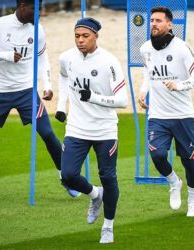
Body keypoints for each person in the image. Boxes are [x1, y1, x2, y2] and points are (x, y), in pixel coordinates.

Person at [0, 0, 79, 202]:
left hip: (26, 92)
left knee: (48, 134)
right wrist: (6, 56)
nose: (40, 12)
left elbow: (42, 58)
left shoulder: (38, 29)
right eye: (36, 8)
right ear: (23, 6)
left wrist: (47, 85)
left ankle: (66, 179)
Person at [55, 17, 128, 243]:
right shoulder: (66, 58)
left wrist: (94, 98)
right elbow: (63, 77)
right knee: (67, 175)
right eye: (77, 36)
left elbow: (122, 101)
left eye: (85, 36)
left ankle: (108, 227)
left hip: (105, 130)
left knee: (108, 177)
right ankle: (95, 195)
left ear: (96, 36)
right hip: (77, 127)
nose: (80, 40)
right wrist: (60, 106)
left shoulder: (109, 62)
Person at [138, 6, 194, 217]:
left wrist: (179, 85)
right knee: (157, 155)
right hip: (158, 115)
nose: (154, 24)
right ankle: (174, 182)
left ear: (169, 24)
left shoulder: (182, 48)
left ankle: (193, 198)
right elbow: (149, 74)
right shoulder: (145, 48)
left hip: (183, 115)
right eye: (152, 20)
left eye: (159, 21)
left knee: (189, 161)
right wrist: (143, 91)